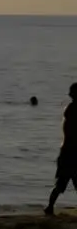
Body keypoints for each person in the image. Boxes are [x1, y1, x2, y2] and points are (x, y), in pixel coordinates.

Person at [44, 83, 77, 216]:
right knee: (63, 183)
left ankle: (50, 207)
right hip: (71, 153)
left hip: (68, 152)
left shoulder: (70, 110)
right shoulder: (73, 110)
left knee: (61, 183)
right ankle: (50, 207)